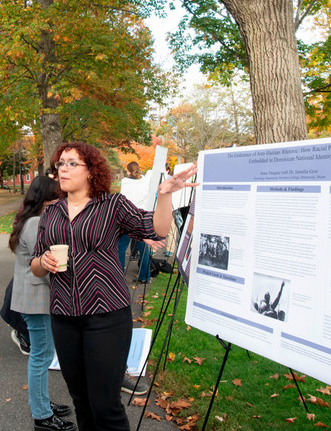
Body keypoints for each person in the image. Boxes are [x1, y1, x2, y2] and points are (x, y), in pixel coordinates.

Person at [32, 142, 197, 431]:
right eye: (61, 164)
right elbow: (34, 265)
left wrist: (164, 196)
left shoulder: (113, 206)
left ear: (91, 171)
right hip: (64, 316)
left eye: (73, 163)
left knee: (105, 405)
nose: (64, 169)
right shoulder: (51, 212)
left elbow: (155, 229)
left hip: (106, 316)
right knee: (81, 401)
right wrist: (43, 261)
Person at [10, 176, 76, 431]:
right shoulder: (37, 223)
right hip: (37, 299)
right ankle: (42, 415)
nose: (62, 202)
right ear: (45, 200)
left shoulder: (29, 220)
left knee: (42, 354)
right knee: (42, 355)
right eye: (57, 198)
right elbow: (49, 263)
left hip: (34, 297)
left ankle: (43, 403)